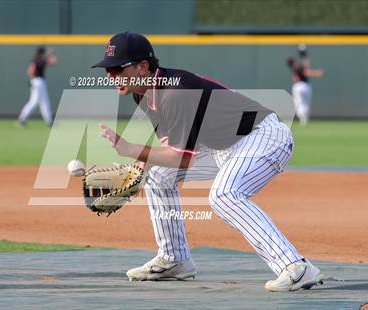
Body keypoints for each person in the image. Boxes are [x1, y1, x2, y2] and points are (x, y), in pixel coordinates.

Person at [93, 32, 324, 292]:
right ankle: (174, 259)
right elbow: (171, 147)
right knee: (158, 175)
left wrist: (130, 149)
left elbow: (181, 158)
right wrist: (138, 171)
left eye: (116, 69)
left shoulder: (174, 92)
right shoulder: (143, 93)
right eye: (107, 70)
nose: (110, 76)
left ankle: (295, 267)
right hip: (223, 147)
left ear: (143, 67)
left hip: (263, 137)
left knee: (224, 195)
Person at [17, 46, 57, 127]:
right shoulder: (41, 60)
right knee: (38, 102)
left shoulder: (35, 59)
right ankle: (22, 119)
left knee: (40, 102)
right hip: (39, 82)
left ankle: (49, 121)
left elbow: (30, 71)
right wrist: (51, 54)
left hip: (35, 81)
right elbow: (53, 62)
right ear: (42, 53)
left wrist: (31, 80)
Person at [287, 44, 323, 126]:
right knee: (305, 103)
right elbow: (306, 70)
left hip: (297, 86)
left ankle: (303, 118)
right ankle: (304, 117)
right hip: (305, 85)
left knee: (298, 102)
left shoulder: (295, 67)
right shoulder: (299, 66)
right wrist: (317, 73)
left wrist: (304, 55)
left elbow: (305, 65)